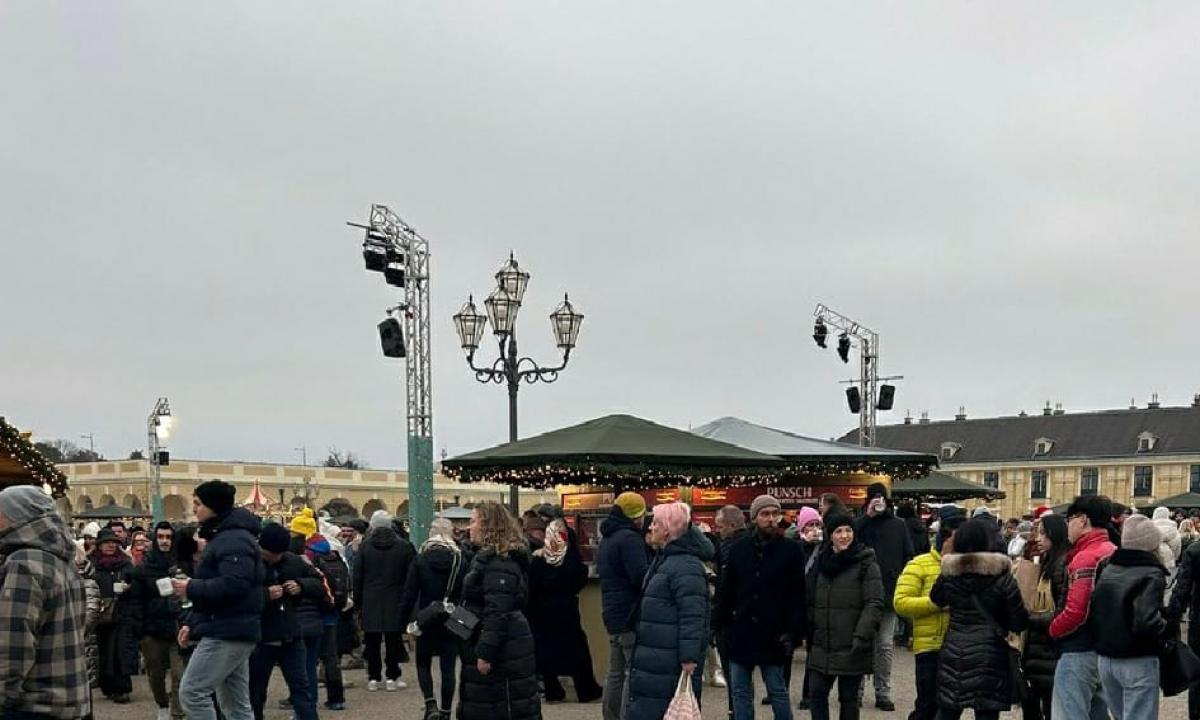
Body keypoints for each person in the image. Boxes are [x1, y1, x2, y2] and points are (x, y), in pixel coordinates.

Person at [175, 479, 266, 720]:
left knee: (192, 692)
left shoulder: (232, 539)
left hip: (227, 629)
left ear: (213, 506)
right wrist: (192, 623)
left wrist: (190, 587)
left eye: (198, 504)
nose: (194, 509)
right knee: (236, 705)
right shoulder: (228, 537)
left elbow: (235, 584)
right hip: (231, 626)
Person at [0, 485, 91, 720]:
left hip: (34, 704)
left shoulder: (23, 562)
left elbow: (13, 641)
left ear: (15, 516)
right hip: (69, 700)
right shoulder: (64, 561)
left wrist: (3, 695)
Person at [713, 495, 805, 720]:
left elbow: (798, 595)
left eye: (775, 514)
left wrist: (794, 633)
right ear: (754, 518)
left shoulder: (791, 550)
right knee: (740, 692)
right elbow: (727, 591)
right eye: (765, 514)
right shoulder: (738, 549)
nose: (771, 519)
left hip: (775, 632)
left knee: (777, 690)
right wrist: (719, 625)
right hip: (741, 630)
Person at [929, 518, 1029, 720]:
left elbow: (936, 599)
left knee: (948, 709)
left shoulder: (949, 574)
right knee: (987, 711)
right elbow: (1018, 621)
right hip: (991, 654)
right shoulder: (1002, 576)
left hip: (954, 649)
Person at [625, 502, 712, 720]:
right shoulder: (664, 560)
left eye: (655, 523)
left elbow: (693, 615)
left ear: (668, 529)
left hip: (668, 659)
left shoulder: (684, 566)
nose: (650, 528)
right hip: (657, 655)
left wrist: (689, 657)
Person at [457, 502, 540, 720]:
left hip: (503, 650)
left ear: (488, 525)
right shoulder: (487, 558)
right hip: (493, 641)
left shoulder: (499, 561)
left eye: (473, 521)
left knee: (500, 706)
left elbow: (498, 611)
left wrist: (485, 652)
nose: (469, 527)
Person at [247, 522, 328, 720]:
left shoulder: (292, 561)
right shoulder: (250, 562)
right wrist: (265, 595)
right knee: (256, 693)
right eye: (270, 554)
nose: (275, 558)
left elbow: (320, 584)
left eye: (279, 554)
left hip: (290, 635)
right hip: (261, 638)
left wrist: (301, 585)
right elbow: (239, 595)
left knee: (302, 690)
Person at [805, 513, 882, 720]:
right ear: (830, 535)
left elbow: (874, 602)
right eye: (839, 531)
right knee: (816, 693)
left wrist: (862, 635)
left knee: (848, 699)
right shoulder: (821, 562)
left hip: (852, 643)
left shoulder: (866, 563)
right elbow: (810, 598)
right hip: (823, 642)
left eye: (848, 530)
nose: (844, 535)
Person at [1092, 514, 1167, 720]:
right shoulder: (1151, 572)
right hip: (1137, 657)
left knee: (1119, 715)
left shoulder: (1108, 567)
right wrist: (1164, 626)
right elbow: (1146, 620)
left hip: (1106, 657)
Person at [1048, 494, 1116, 720]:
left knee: (1068, 712)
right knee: (1098, 711)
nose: (1068, 525)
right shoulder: (1113, 550)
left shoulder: (1086, 558)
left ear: (1083, 520)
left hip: (1078, 648)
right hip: (1106, 647)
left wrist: (1053, 630)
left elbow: (1076, 611)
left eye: (1070, 519)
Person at [894, 514, 964, 720]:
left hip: (959, 647)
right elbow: (901, 602)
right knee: (927, 705)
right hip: (929, 647)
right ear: (945, 539)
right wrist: (935, 604)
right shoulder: (920, 564)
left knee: (951, 707)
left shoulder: (969, 565)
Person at [528, 517, 603, 703]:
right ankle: (586, 689)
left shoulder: (539, 559)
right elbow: (579, 579)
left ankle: (554, 691)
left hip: (542, 610)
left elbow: (532, 585)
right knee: (578, 650)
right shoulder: (571, 559)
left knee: (546, 651)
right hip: (566, 609)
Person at [853, 482, 912, 711]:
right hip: (861, 593)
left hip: (889, 592)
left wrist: (900, 581)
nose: (878, 502)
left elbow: (908, 555)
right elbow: (847, 540)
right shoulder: (860, 523)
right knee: (860, 643)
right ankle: (856, 690)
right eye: (873, 498)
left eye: (881, 498)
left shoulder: (898, 525)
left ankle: (883, 691)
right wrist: (866, 517)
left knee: (885, 646)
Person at [399, 518, 466, 720]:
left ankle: (430, 704)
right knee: (448, 666)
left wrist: (405, 621)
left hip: (426, 617)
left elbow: (409, 593)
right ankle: (446, 711)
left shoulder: (421, 559)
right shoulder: (460, 559)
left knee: (423, 662)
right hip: (452, 618)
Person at [597, 491, 651, 720]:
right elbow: (640, 576)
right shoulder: (630, 539)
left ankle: (610, 716)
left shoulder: (608, 538)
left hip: (613, 612)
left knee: (615, 672)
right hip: (630, 613)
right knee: (632, 671)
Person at [1015, 514, 1069, 720]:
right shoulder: (1046, 560)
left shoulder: (1060, 565)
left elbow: (1061, 611)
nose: (1038, 538)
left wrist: (1029, 618)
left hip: (1048, 648)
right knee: (1034, 705)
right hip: (1038, 650)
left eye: (1043, 533)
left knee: (1049, 706)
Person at [129, 521, 185, 720]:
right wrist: (140, 629)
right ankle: (162, 704)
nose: (164, 541)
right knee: (156, 674)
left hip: (177, 627)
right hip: (151, 629)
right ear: (155, 539)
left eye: (168, 537)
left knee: (180, 675)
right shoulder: (144, 568)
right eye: (161, 537)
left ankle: (177, 713)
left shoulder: (180, 563)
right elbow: (135, 601)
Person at [354, 509, 415, 691]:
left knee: (371, 640)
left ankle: (373, 677)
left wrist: (358, 601)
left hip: (370, 598)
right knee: (393, 638)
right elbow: (410, 576)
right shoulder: (404, 546)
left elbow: (357, 576)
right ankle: (392, 676)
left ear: (372, 525)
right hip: (395, 598)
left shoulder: (364, 547)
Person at [90, 527, 137, 704]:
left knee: (121, 650)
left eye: (114, 542)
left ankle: (122, 688)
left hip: (122, 611)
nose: (111, 545)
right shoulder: (92, 564)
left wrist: (129, 588)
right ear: (99, 545)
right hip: (101, 614)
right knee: (105, 650)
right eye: (107, 542)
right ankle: (108, 686)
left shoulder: (125, 564)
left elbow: (137, 584)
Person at [306, 532, 351, 711]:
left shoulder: (309, 557)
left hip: (314, 614)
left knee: (309, 660)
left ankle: (309, 700)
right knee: (331, 658)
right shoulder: (335, 556)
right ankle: (336, 698)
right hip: (333, 614)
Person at [711, 503, 748, 705]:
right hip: (741, 618)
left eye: (720, 526)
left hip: (731, 620)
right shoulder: (750, 544)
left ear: (732, 525)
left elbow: (726, 587)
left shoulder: (730, 549)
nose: (717, 531)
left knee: (736, 678)